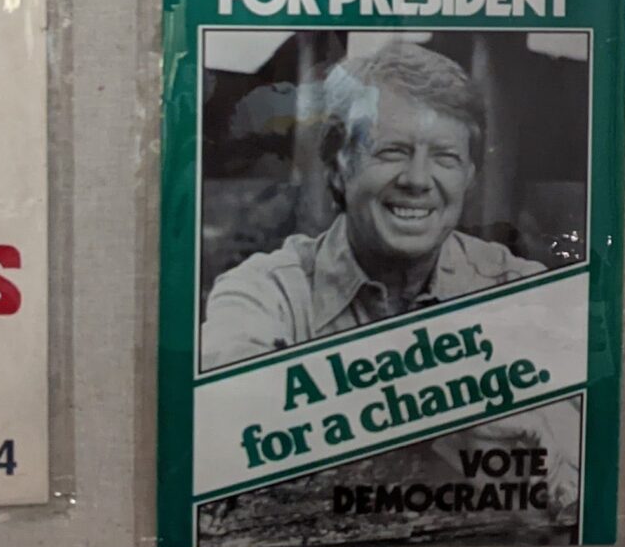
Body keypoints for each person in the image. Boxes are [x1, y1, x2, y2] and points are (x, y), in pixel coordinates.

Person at [201, 42, 543, 367]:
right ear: (338, 168)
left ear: (468, 178)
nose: (418, 179)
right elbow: (239, 406)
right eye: (392, 151)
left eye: (445, 157)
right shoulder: (267, 295)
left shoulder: (516, 287)